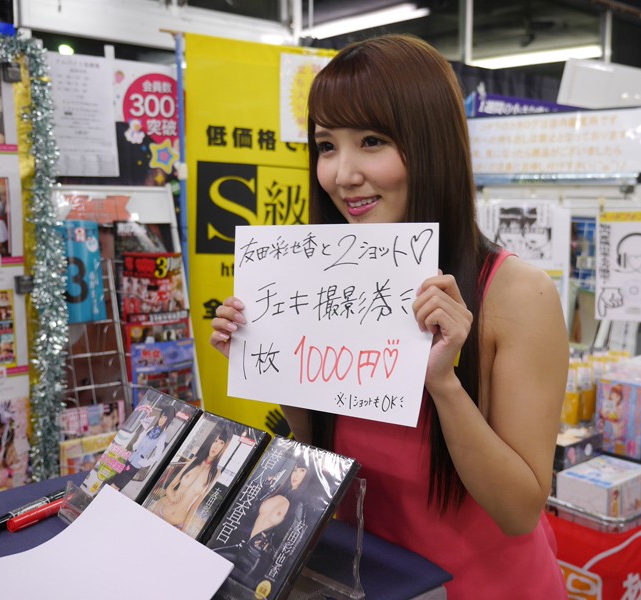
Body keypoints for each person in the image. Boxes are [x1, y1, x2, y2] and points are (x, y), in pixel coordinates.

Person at [210, 35, 568, 598]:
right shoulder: (326, 279)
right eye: (326, 146)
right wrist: (269, 355)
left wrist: (444, 385)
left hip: (485, 586)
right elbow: (325, 454)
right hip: (369, 579)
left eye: (371, 141)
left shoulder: (518, 293)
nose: (342, 174)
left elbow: (520, 511)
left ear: (431, 145)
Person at [209, 460, 313, 589]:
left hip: (258, 558)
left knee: (235, 590)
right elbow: (252, 512)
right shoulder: (277, 491)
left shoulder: (299, 505)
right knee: (209, 561)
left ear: (308, 476)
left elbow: (296, 539)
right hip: (243, 546)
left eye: (302, 471)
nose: (296, 474)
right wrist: (265, 488)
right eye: (295, 470)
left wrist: (272, 548)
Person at [149, 424, 230, 533]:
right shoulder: (195, 460)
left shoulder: (215, 473)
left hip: (177, 523)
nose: (216, 446)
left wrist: (184, 528)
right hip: (160, 509)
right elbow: (170, 486)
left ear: (224, 448)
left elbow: (196, 504)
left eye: (221, 443)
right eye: (215, 441)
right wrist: (172, 496)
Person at [107, 404, 175, 493]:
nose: (161, 419)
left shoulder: (162, 435)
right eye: (161, 416)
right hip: (129, 459)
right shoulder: (152, 428)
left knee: (116, 485)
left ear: (168, 420)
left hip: (136, 465)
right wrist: (135, 446)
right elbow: (140, 439)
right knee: (115, 482)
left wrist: (145, 462)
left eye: (165, 418)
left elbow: (158, 455)